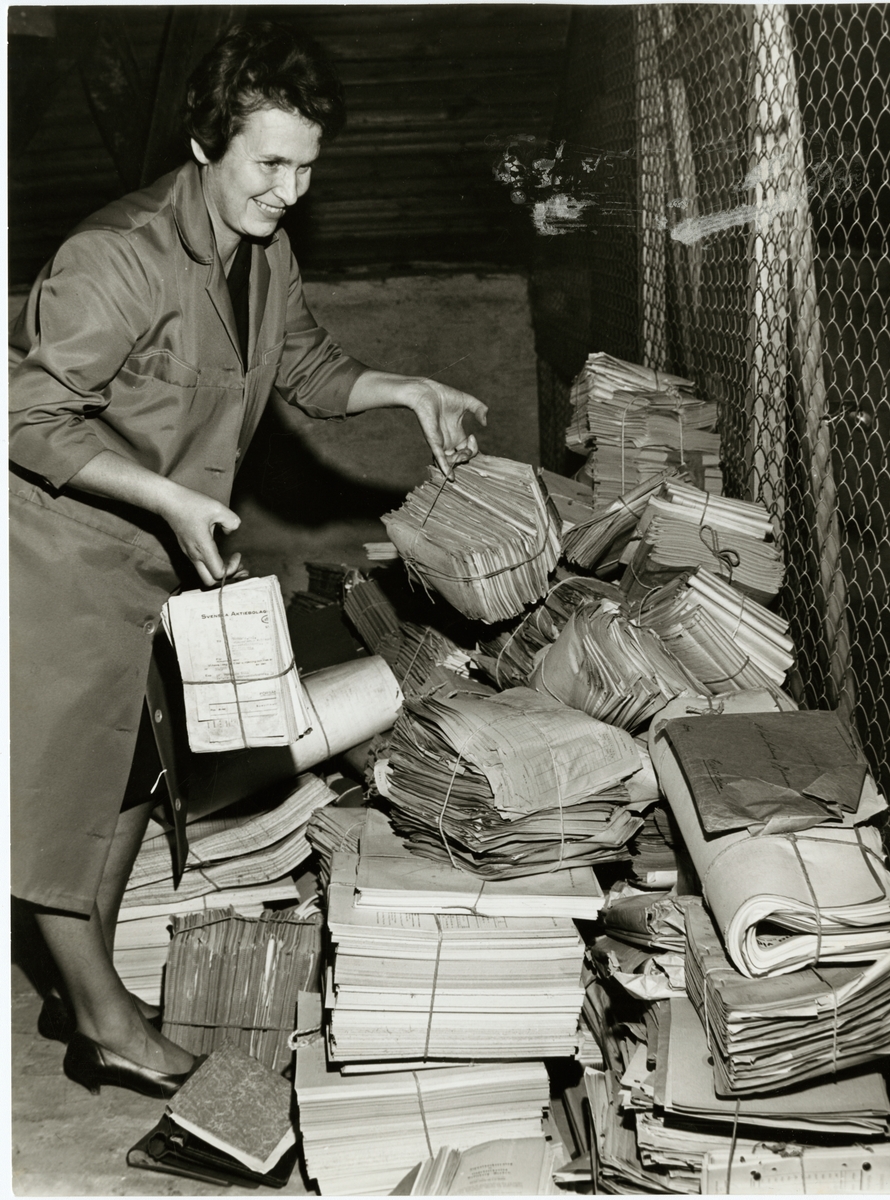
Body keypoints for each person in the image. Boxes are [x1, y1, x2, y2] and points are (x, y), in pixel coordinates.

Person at [8, 20, 487, 1099]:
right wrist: (169, 497)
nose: (289, 190)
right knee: (53, 792)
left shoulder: (263, 254)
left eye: (306, 169)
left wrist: (403, 389)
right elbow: (25, 416)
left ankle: (77, 990)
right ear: (204, 143)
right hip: (59, 556)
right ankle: (106, 1025)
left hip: (160, 559)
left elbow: (305, 366)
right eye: (269, 164)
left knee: (135, 773)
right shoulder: (116, 258)